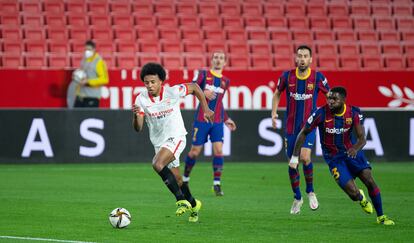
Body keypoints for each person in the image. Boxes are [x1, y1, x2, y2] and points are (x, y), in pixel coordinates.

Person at [290, 86, 395, 225]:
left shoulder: (353, 113)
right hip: (334, 159)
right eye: (329, 98)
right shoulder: (320, 114)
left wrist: (355, 149)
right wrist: (295, 157)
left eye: (335, 99)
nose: (331, 101)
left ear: (344, 100)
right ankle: (361, 198)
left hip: (352, 153)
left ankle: (381, 216)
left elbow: (362, 138)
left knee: (369, 180)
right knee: (353, 194)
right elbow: (303, 133)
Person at [132, 62, 214, 223]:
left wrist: (205, 108)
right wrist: (135, 116)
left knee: (157, 164)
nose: (149, 85)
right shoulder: (140, 99)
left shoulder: (173, 92)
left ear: (161, 81)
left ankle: (180, 200)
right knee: (177, 179)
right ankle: (194, 204)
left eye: (153, 82)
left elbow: (195, 87)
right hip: (160, 143)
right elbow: (138, 128)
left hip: (176, 137)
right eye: (146, 82)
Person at [271, 45, 330, 214]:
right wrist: (273, 113)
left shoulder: (318, 77)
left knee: (304, 157)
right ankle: (297, 197)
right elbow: (277, 93)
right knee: (292, 164)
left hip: (309, 125)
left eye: (305, 56)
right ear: (296, 58)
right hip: (291, 127)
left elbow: (330, 97)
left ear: (311, 59)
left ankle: (310, 191)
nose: (302, 59)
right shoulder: (287, 76)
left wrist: (327, 115)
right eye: (300, 56)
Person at [182, 51, 237, 196]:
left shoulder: (225, 81)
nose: (218, 60)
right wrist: (202, 92)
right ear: (212, 60)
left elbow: (219, 103)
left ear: (225, 62)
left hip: (217, 122)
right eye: (216, 58)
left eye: (221, 58)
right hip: (202, 120)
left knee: (218, 150)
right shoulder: (203, 74)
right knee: (194, 152)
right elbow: (191, 87)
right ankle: (185, 179)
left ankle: (216, 184)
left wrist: (226, 119)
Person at [74, 40, 109, 108]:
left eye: (89, 49)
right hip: (80, 95)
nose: (87, 51)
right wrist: (77, 76)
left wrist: (88, 81)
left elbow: (105, 79)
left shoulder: (99, 62)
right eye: (86, 49)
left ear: (94, 49)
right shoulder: (84, 59)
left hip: (92, 96)